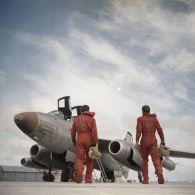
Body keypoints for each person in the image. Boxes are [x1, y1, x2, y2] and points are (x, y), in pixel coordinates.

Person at [136, 105, 165, 184]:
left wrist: (137, 141)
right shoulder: (155, 119)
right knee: (156, 158)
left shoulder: (140, 119)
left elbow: (139, 130)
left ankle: (145, 179)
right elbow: (160, 130)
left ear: (142, 111)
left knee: (144, 160)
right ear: (149, 111)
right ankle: (159, 172)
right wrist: (162, 140)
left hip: (144, 140)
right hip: (153, 140)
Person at [71, 105, 98, 183]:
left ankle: (79, 175)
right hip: (89, 139)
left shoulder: (76, 119)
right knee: (90, 160)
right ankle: (88, 179)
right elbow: (95, 132)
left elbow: (73, 132)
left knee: (79, 158)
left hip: (80, 138)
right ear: (88, 110)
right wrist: (96, 142)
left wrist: (73, 141)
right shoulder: (92, 119)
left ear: (81, 110)